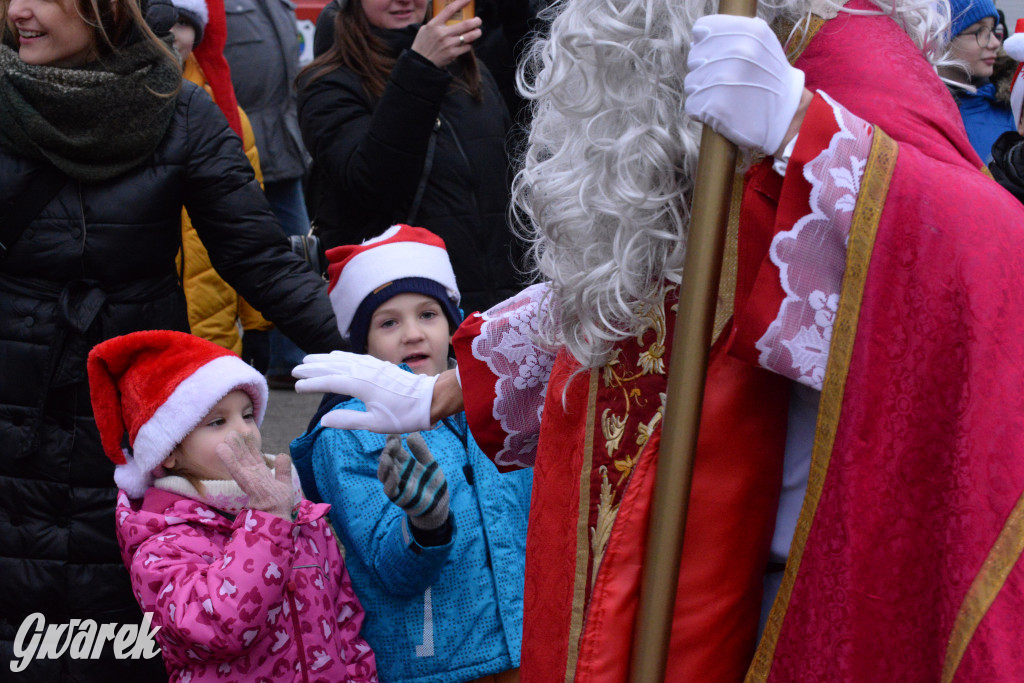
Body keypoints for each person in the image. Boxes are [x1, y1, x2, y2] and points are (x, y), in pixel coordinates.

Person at [294, 0, 1024, 680]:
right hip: (703, 568)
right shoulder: (661, 65)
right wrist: (446, 388)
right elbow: (639, 283)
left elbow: (987, 265)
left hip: (824, 572)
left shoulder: (843, 56)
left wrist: (805, 130)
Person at [0, 0, 343, 675]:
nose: (18, 10)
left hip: (139, 429)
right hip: (14, 424)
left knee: (129, 627)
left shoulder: (181, 111)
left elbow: (260, 259)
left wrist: (377, 360)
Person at [290, 225, 531, 683]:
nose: (412, 334)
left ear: (452, 322)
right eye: (388, 322)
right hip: (434, 663)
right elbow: (391, 569)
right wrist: (425, 524)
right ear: (362, 344)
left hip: (531, 647)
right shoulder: (346, 433)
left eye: (428, 314)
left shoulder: (499, 400)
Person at [87, 330, 377, 682]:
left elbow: (344, 617)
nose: (243, 432)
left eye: (247, 415)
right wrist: (267, 522)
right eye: (218, 422)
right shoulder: (161, 544)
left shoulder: (298, 511)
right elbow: (220, 629)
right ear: (170, 453)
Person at [297, 0, 524, 315]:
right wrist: (421, 69)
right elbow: (372, 184)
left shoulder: (470, 70)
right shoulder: (328, 84)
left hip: (495, 311)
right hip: (405, 314)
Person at [169, 0, 274, 369]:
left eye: (182, 21)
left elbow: (252, 227)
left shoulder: (227, 116)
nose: (169, 31)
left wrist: (258, 323)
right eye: (156, 16)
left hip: (214, 337)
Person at [221, 0, 312, 388]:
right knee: (255, 250)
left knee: (297, 252)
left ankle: (291, 355)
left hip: (281, 145)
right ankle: (280, 356)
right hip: (238, 143)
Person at [939, 0, 1015, 161]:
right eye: (979, 32)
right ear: (940, 39)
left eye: (993, 31)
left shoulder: (1013, 107)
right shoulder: (922, 113)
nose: (995, 43)